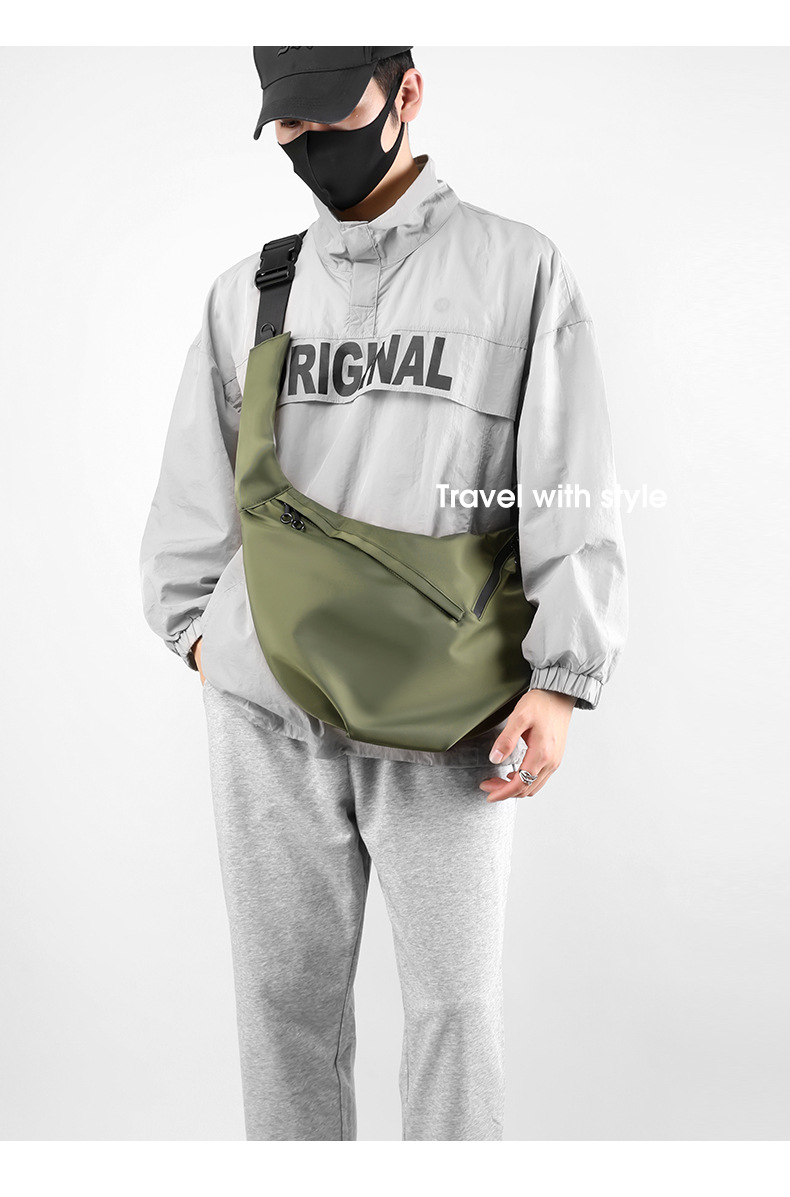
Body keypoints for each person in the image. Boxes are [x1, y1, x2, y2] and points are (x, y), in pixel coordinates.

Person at [139, 46, 628, 1141]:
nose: (312, 143)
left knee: (455, 1013)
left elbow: (568, 480)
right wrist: (206, 640)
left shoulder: (518, 270)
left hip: (449, 716)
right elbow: (190, 496)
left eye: (333, 113)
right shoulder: (250, 292)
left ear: (406, 94)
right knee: (283, 1016)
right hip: (269, 716)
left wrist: (562, 678)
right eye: (291, 125)